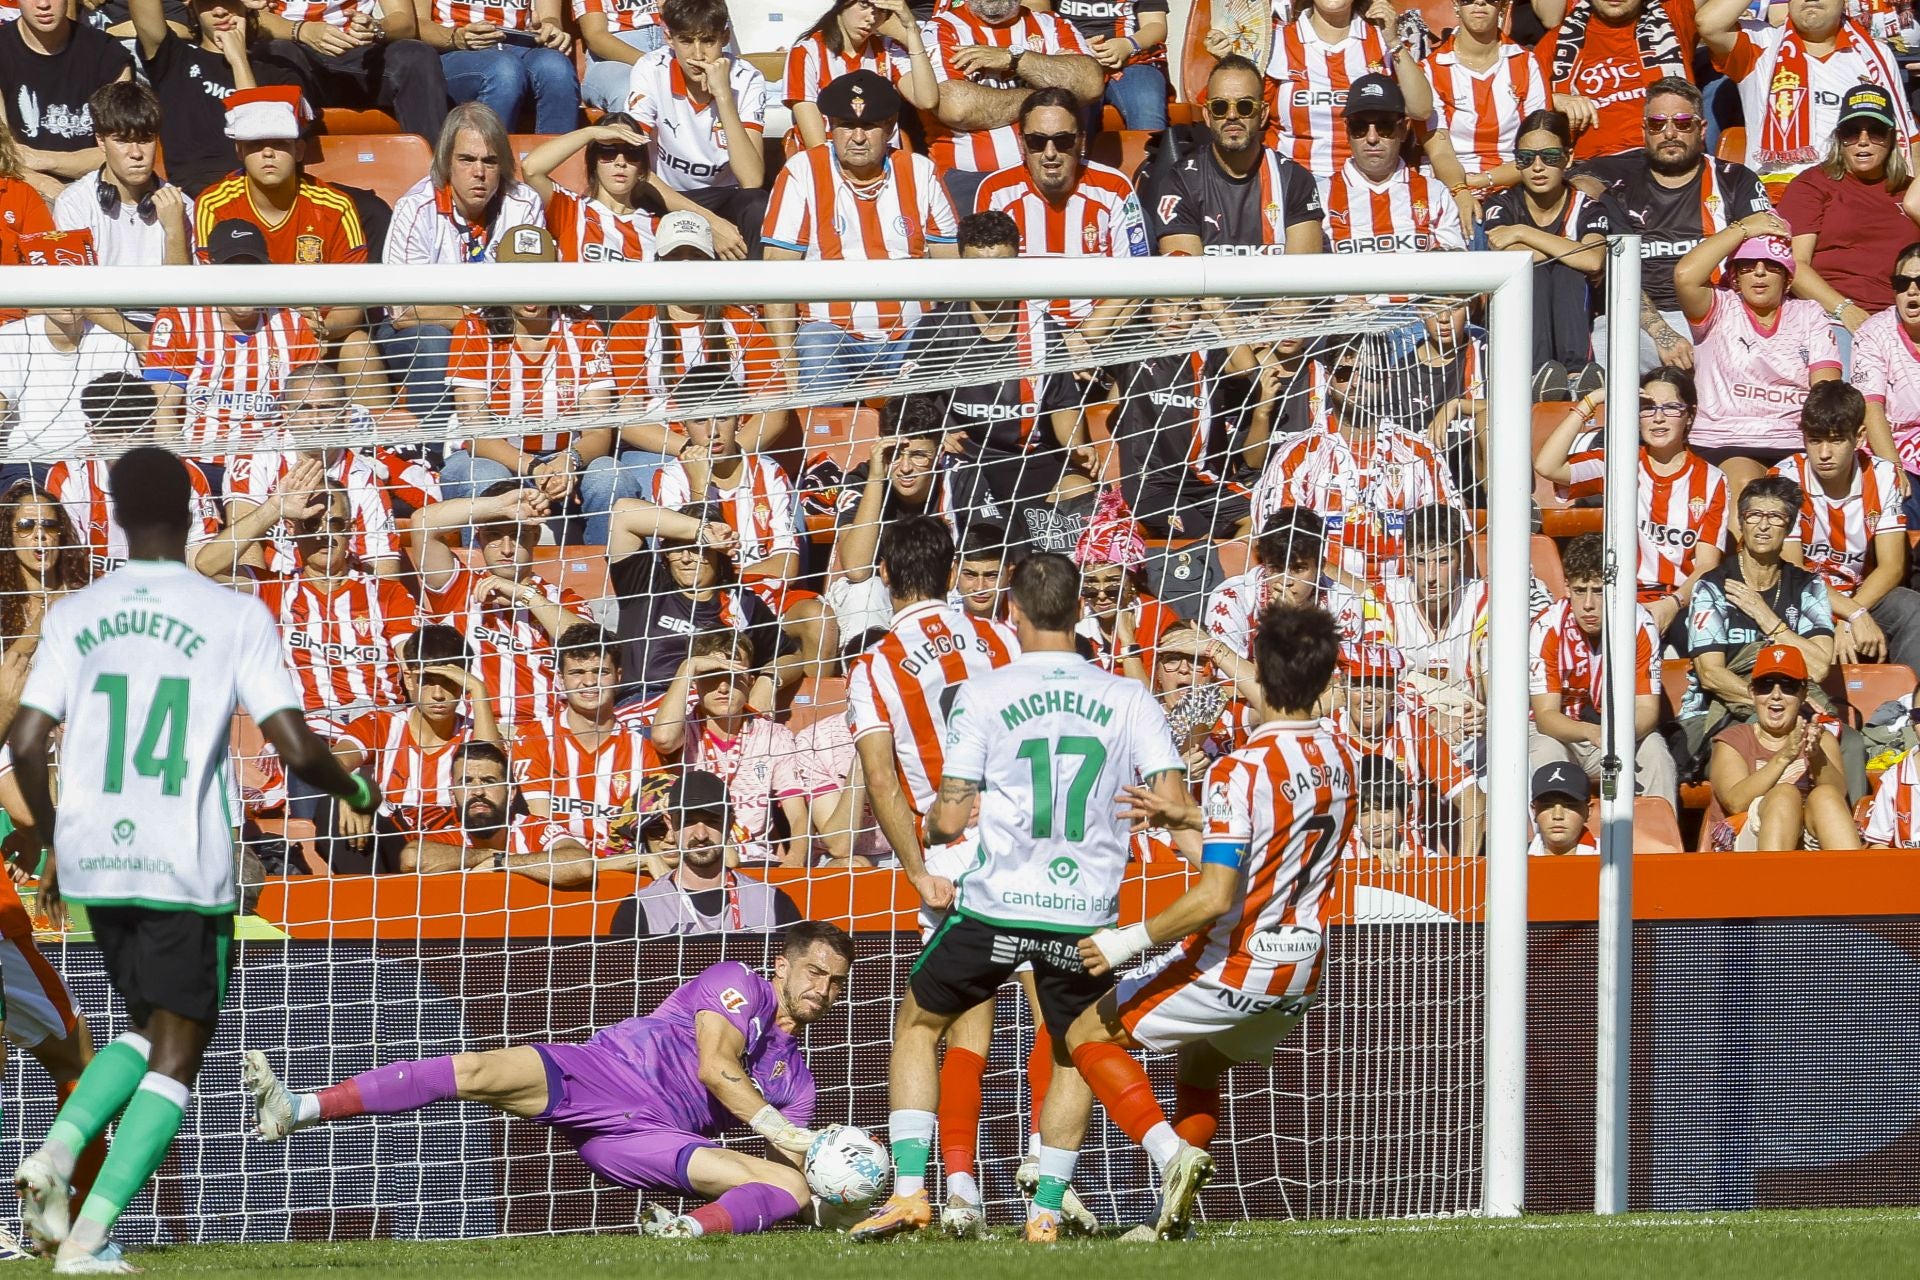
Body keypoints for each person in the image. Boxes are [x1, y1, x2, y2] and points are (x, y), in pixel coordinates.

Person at [6, 445, 378, 1271]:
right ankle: (86, 1232)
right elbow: (293, 744)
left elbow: (26, 740)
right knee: (182, 1050)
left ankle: (56, 1160)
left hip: (99, 856)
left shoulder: (76, 615)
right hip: (186, 853)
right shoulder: (234, 613)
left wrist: (61, 838)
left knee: (145, 1026)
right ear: (189, 514)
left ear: (110, 513)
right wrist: (352, 792)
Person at [851, 552, 1191, 1244]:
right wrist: (1153, 812)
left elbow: (948, 814)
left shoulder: (988, 692)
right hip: (1085, 915)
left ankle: (915, 1192)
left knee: (919, 1025)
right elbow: (1176, 802)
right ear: (1079, 610)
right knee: (1074, 1046)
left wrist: (951, 821)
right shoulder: (1129, 696)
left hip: (996, 906)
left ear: (1013, 610)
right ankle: (1045, 1213)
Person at [243, 921, 854, 1237]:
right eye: (814, 972)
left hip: (644, 1136)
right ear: (781, 964)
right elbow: (716, 1070)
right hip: (602, 1073)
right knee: (475, 1070)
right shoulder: (737, 982)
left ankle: (686, 1232)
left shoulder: (797, 1080)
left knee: (787, 1188)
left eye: (834, 982)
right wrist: (788, 1134)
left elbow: (793, 1163)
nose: (822, 990)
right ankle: (297, 1107)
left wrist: (846, 1187)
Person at [1065, 602, 1355, 1242]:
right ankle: (1174, 1224)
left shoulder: (1238, 768)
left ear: (1262, 676)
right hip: (1304, 970)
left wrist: (1124, 942)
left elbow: (1214, 895)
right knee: (1196, 1067)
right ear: (1325, 678)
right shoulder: (1341, 751)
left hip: (1237, 959)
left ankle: (1172, 1156)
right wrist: (1190, 818)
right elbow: (1281, 823)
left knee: (1085, 1036)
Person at [842, 515, 1036, 1233]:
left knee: (930, 1022)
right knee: (1054, 1015)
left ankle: (924, 1188)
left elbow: (883, 780)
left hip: (955, 856)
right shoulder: (1001, 638)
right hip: (1028, 845)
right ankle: (1041, 1191)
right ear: (954, 572)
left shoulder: (875, 665)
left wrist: (918, 869)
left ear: (886, 575)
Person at [763, 70, 958, 397]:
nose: (856, 137)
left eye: (868, 126)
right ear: (830, 127)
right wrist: (788, 369)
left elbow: (954, 273)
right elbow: (776, 277)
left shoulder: (919, 171)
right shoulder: (802, 172)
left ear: (890, 126)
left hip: (909, 335)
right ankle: (823, 447)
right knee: (816, 343)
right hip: (833, 338)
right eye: (845, 125)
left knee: (938, 335)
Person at [1572, 79, 1775, 373]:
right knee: (1609, 342)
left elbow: (1766, 253)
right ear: (1644, 132)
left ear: (1702, 129)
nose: (1669, 133)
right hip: (1642, 319)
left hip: (1719, 312)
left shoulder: (1735, 179)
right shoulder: (1617, 186)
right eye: (1657, 124)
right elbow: (1620, 277)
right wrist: (1661, 333)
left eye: (1682, 123)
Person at [193, 87, 380, 403]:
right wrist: (281, 332)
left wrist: (317, 328)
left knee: (358, 345)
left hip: (319, 334)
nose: (268, 153)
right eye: (255, 145)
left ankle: (381, 445)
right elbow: (213, 297)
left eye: (279, 144)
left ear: (299, 150)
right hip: (242, 334)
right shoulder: (213, 205)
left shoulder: (337, 206)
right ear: (239, 151)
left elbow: (354, 303)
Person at [441, 226, 621, 537]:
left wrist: (569, 461)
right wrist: (535, 468)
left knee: (610, 477)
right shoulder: (474, 329)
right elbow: (478, 435)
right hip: (491, 456)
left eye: (539, 275)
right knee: (486, 477)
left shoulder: (583, 329)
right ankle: (483, 578)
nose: (529, 288)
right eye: (518, 275)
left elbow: (599, 430)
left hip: (565, 456)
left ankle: (609, 577)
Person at [382, 104, 547, 425]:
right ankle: (430, 452)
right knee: (433, 339)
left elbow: (529, 290)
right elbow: (403, 312)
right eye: (467, 159)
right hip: (423, 335)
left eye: (490, 161)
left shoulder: (524, 204)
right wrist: (473, 319)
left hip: (500, 324)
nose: (479, 172)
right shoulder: (415, 208)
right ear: (446, 162)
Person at [1535, 368, 1728, 637]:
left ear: (1690, 415)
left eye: (1671, 407)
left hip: (1682, 601)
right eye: (1648, 408)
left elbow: (1707, 564)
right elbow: (1547, 465)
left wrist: (1671, 605)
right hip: (1619, 599)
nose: (1658, 418)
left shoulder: (1712, 479)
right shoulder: (1619, 461)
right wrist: (1591, 402)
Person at [1254, 352, 1460, 584]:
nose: (1357, 382)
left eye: (1369, 374)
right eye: (1344, 373)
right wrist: (1358, 589)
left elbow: (1450, 537)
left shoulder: (1421, 453)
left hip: (1408, 598)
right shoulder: (1295, 455)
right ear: (1329, 382)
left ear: (1387, 381)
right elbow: (1278, 547)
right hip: (1322, 599)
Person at [412, 483, 596, 726]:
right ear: (478, 537)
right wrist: (499, 506)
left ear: (536, 536)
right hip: (471, 730)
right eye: (494, 535)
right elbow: (421, 524)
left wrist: (526, 596)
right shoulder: (458, 586)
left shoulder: (561, 600)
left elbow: (592, 648)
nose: (507, 549)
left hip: (544, 732)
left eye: (518, 536)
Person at [1673, 213, 1832, 492]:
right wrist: (1743, 229)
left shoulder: (1809, 313)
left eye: (1771, 265)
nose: (1759, 272)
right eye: (1747, 266)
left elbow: (1826, 387)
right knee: (1748, 484)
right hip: (1726, 438)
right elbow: (1685, 276)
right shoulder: (1719, 308)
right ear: (1734, 276)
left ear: (1787, 277)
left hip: (1795, 437)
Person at [145, 221, 325, 464]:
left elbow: (310, 408)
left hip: (270, 464)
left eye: (252, 269)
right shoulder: (180, 318)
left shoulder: (292, 324)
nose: (243, 281)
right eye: (232, 270)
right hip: (199, 462)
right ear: (209, 269)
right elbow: (164, 411)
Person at [1771, 380, 1920, 669]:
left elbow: (1892, 567)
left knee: (1911, 609)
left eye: (1836, 440)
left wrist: (1851, 615)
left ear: (1860, 437)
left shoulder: (1883, 475)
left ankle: (1910, 706)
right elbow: (1792, 569)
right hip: (1801, 596)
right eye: (1815, 440)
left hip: (1863, 593)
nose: (1824, 453)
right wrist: (1850, 616)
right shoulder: (1784, 477)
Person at [972, 87, 1148, 331]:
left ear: (1081, 141)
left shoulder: (1115, 188)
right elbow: (986, 285)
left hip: (1098, 338)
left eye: (1063, 140)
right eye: (1037, 141)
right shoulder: (996, 192)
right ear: (1022, 142)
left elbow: (1138, 280)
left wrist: (1088, 340)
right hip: (1025, 339)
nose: (1050, 153)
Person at [1702, 0, 1917, 195]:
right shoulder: (1761, 44)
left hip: (1857, 198)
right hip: (1779, 197)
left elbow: (1908, 136)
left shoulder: (1877, 55)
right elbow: (1709, 24)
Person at [1528, 532, 1677, 809]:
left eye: (1598, 591)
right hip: (1564, 735)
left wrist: (1616, 735)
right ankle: (1543, 849)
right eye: (1580, 590)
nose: (1588, 604)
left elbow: (1646, 710)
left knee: (1655, 752)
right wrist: (1590, 732)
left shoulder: (1639, 626)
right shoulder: (1546, 628)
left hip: (1621, 734)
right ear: (1567, 588)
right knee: (1544, 752)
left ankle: (1661, 847)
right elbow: (1546, 717)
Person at [333, 624, 501, 869]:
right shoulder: (382, 724)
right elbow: (333, 762)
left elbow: (493, 773)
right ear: (410, 680)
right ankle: (364, 901)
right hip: (391, 846)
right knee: (331, 805)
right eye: (427, 681)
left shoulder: (475, 732)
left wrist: (479, 691)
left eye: (449, 682)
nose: (438, 695)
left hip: (452, 852)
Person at [923, 0, 1103, 213]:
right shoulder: (941, 28)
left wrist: (1014, 58)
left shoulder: (1052, 24)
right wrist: (1051, 92)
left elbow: (1091, 84)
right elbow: (957, 108)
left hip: (1052, 179)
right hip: (970, 178)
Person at [1680, 474, 1835, 723]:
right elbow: (1710, 674)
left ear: (1790, 526)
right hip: (1722, 708)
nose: (1763, 526)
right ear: (1741, 522)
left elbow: (1818, 668)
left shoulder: (1808, 586)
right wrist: (1771, 705)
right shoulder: (1713, 585)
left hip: (1791, 705)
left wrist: (1764, 615)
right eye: (1753, 516)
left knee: (1849, 742)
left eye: (1775, 517)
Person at [1138, 54, 1323, 258]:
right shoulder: (1180, 182)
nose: (1232, 115)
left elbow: (1301, 279)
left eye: (1245, 106)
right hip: (1207, 291)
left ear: (1262, 114)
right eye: (1220, 107)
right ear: (1207, 115)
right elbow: (1189, 282)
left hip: (1279, 291)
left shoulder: (1294, 180)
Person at [1099, 299, 1255, 539]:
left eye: (1188, 308)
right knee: (1202, 541)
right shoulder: (1135, 346)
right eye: (1166, 305)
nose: (1177, 314)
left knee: (1261, 517)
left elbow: (1246, 367)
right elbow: (1092, 332)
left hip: (1204, 483)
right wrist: (1141, 287)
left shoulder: (1206, 350)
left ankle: (1242, 576)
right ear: (1149, 310)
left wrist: (1218, 311)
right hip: (1153, 485)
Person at [44, 373, 223, 580]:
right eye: (112, 430)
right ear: (92, 432)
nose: (125, 440)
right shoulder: (68, 478)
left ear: (152, 426)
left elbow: (198, 561)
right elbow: (66, 564)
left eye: (135, 429)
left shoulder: (184, 475)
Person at [1478, 110, 1614, 383]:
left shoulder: (1586, 206)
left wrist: (1521, 232)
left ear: (1569, 157)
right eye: (1526, 159)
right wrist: (1568, 250)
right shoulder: (1500, 203)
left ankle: (1577, 374)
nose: (1537, 167)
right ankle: (1537, 374)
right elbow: (1508, 258)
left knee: (1567, 271)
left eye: (1550, 156)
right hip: (1513, 324)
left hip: (1576, 316)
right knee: (1540, 268)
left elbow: (1593, 261)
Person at [626, 0, 768, 255]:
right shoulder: (650, 69)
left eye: (708, 41)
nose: (698, 55)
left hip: (724, 194)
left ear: (724, 37)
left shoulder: (746, 78)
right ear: (668, 37)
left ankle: (757, 294)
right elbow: (637, 167)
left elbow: (752, 179)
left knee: (757, 204)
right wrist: (709, 223)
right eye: (687, 41)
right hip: (664, 193)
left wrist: (723, 96)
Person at [606, 499, 786, 696]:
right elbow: (622, 512)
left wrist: (767, 682)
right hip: (643, 707)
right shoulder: (646, 585)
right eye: (676, 548)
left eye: (696, 548)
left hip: (710, 712)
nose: (685, 558)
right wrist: (702, 531)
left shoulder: (743, 605)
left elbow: (789, 656)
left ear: (720, 554)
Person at [1774, 84, 1915, 334]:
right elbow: (1794, 265)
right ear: (1840, 137)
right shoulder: (1812, 185)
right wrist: (1846, 310)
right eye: (1851, 132)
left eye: (1876, 132)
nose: (1863, 141)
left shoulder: (1909, 191)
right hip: (1833, 317)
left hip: (1904, 318)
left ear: (1892, 137)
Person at [512, 623, 662, 858]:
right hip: (552, 870)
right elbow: (539, 824)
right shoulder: (533, 738)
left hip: (620, 873)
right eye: (577, 673)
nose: (590, 682)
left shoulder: (642, 750)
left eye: (600, 672)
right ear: (560, 679)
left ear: (618, 676)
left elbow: (644, 829)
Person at [128, 0, 303, 201]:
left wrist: (239, 61)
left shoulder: (279, 73)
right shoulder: (175, 59)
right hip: (194, 199)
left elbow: (257, 132)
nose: (219, 11)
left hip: (259, 196)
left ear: (247, 6)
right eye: (207, 3)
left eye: (230, 3)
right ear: (193, 9)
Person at [607, 770, 805, 935]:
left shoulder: (772, 903)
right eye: (689, 821)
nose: (700, 835)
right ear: (670, 823)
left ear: (729, 824)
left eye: (712, 822)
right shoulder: (640, 908)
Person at [1332, 640, 1481, 856]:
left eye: (1379, 685)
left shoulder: (1413, 729)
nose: (1368, 697)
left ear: (1394, 690)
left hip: (1409, 861)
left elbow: (1471, 797)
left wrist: (1462, 873)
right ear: (1343, 687)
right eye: (1358, 684)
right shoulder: (1324, 737)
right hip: (1342, 866)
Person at [1706, 643, 1857, 850]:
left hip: (1808, 835)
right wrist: (1785, 756)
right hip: (1747, 842)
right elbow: (1735, 802)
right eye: (1765, 686)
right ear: (1752, 692)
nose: (1776, 695)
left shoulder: (1820, 738)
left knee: (1826, 796)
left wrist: (1816, 756)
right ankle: (1774, 880)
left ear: (1803, 694)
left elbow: (1839, 795)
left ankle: (1855, 879)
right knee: (1784, 795)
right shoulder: (1732, 741)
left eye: (1788, 686)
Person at [1263, 0, 1434, 177]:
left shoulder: (1383, 39)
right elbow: (1252, 114)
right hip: (1291, 179)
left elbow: (1421, 110)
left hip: (1365, 183)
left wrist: (1393, 41)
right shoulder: (1276, 42)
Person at [399, 740, 604, 884]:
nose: (478, 791)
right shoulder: (446, 837)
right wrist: (489, 855)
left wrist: (501, 862)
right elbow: (411, 859)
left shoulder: (534, 828)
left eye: (489, 781)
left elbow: (581, 865)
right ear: (453, 795)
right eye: (467, 782)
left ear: (511, 792)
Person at [1420, 0, 1546, 228]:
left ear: (1504, 6)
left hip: (1516, 182)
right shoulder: (1430, 69)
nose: (1479, 2)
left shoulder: (1526, 63)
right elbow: (1439, 152)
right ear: (1456, 5)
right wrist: (1460, 191)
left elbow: (1537, 149)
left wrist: (1483, 181)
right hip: (1451, 184)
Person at [51, 82, 193, 283]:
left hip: (163, 314)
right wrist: (122, 317)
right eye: (123, 141)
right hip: (101, 312)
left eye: (145, 140)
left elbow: (185, 299)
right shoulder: (75, 203)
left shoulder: (182, 206)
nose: (136, 153)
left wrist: (174, 231)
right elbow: (77, 293)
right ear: (101, 141)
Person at [255, 0, 449, 145]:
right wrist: (301, 30)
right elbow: (255, 18)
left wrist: (375, 28)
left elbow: (405, 22)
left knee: (418, 55)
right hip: (296, 46)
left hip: (359, 53)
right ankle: (289, 177)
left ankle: (436, 180)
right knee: (278, 52)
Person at [1203, 506, 1388, 656]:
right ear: (1264, 563)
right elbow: (1228, 681)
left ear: (1320, 566)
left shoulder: (1343, 601)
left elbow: (1339, 682)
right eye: (1275, 568)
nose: (1285, 581)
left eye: (1298, 569)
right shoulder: (1231, 598)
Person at [0, 0, 134, 200]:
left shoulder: (106, 53)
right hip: (21, 183)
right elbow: (4, 155)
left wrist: (46, 160)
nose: (43, 4)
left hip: (96, 185)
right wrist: (41, 182)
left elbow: (125, 150)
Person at [1319, 75, 1464, 255]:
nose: (1372, 138)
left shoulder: (1435, 192)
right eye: (1359, 128)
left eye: (1384, 127)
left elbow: (1453, 268)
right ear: (1347, 131)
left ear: (1403, 130)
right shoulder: (1321, 196)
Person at [1538, 0, 1695, 164]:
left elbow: (1718, 16)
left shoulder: (1672, 20)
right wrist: (1553, 99)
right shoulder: (1557, 40)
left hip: (1670, 155)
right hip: (1594, 164)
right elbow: (1520, 100)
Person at [783, 0, 938, 150]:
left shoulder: (888, 48)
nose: (871, 18)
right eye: (864, 4)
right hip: (830, 163)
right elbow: (816, 145)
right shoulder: (806, 52)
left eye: (881, 11)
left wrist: (911, 29)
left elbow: (927, 100)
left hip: (885, 162)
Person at [0, 481, 88, 740]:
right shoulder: (3, 600)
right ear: (8, 536)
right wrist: (42, 620)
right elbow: (8, 676)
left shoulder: (86, 594)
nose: (40, 535)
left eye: (49, 525)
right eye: (26, 526)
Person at [418, 0, 576, 134]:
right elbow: (419, 23)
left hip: (522, 45)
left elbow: (551, 18)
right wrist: (457, 37)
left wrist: (550, 28)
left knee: (557, 69)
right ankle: (489, 164)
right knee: (505, 70)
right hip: (455, 48)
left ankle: (554, 167)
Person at [0, 309, 140, 461]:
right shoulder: (10, 337)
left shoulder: (115, 343)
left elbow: (130, 413)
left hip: (96, 463)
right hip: (28, 462)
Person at [1071, 489, 1179, 679]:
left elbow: (1147, 697)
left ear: (1131, 583)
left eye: (1113, 584)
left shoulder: (1159, 617)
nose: (1101, 594)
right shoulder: (1070, 616)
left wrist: (1128, 640)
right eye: (1091, 585)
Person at [523, 117, 662, 263]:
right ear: (593, 163)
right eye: (608, 152)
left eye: (631, 154)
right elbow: (531, 169)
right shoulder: (571, 210)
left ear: (641, 169)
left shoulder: (658, 228)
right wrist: (590, 133)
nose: (620, 162)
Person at [1851, 243, 1920, 506]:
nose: (1912, 290)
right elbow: (1871, 408)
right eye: (1902, 283)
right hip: (1891, 447)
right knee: (1900, 497)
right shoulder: (1873, 334)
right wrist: (1895, 468)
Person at [1050, 0, 1168, 130]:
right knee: (1067, 117)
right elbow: (1037, 16)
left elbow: (1155, 24)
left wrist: (1129, 45)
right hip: (1075, 63)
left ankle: (1150, 148)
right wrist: (1072, 49)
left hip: (1133, 61)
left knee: (1146, 104)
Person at [574, 0, 668, 113]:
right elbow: (596, 37)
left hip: (673, 39)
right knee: (632, 92)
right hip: (613, 56)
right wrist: (651, 64)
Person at [1527, 760, 1597, 856]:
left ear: (1588, 811)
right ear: (1534, 811)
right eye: (1548, 805)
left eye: (1570, 805)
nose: (1558, 816)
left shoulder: (1610, 861)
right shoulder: (1512, 862)